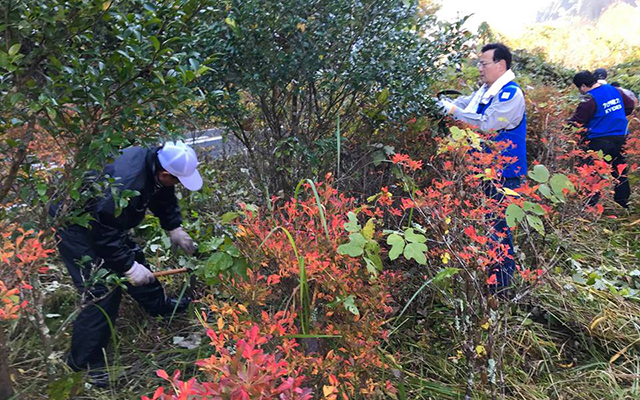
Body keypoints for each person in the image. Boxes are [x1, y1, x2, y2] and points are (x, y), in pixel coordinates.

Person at [51, 141, 203, 386]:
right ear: (165, 173)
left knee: (133, 257)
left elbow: (162, 194)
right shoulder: (126, 183)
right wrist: (127, 267)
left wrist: (174, 226)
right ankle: (84, 364)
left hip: (104, 219)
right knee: (101, 291)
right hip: (76, 224)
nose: (176, 185)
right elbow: (102, 234)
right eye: (176, 180)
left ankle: (160, 307)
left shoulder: (155, 162)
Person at [437, 43, 527, 289]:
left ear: (500, 65)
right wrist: (444, 104)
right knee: (489, 226)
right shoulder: (485, 92)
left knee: (499, 229)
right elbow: (466, 106)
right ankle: (489, 284)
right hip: (486, 171)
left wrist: (452, 110)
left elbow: (487, 123)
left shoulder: (510, 94)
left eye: (483, 63)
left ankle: (501, 289)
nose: (479, 68)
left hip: (504, 174)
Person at [568, 71, 634, 208]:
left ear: (583, 86)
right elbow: (629, 105)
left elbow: (577, 121)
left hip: (600, 139)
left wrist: (566, 125)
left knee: (593, 171)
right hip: (622, 135)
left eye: (579, 88)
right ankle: (623, 202)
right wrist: (616, 116)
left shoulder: (589, 99)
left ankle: (590, 205)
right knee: (619, 169)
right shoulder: (614, 90)